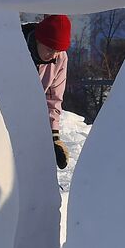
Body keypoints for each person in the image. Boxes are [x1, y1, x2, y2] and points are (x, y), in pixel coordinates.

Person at [24, 14, 71, 169]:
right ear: (38, 40)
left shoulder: (60, 58)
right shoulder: (16, 47)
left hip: (30, 119)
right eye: (50, 49)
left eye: (58, 50)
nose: (54, 55)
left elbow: (53, 98)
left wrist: (54, 137)